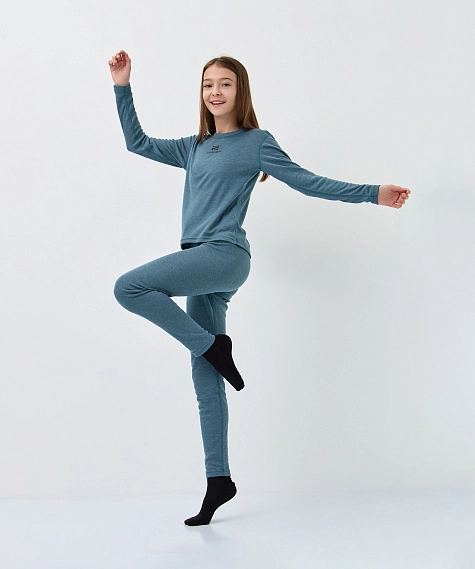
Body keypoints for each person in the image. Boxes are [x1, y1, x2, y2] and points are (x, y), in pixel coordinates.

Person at [108, 50, 410, 526]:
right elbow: (137, 143)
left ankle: (214, 346)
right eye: (208, 84)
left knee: (129, 287)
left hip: (223, 256)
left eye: (225, 84)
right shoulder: (194, 146)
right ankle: (219, 480)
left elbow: (308, 182)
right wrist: (122, 86)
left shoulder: (256, 142)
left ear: (240, 91)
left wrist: (373, 193)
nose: (215, 92)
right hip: (200, 265)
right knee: (206, 379)